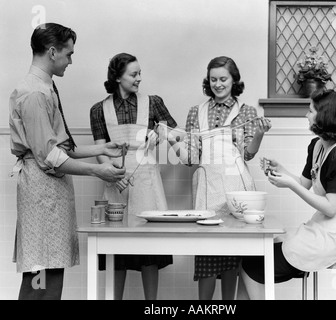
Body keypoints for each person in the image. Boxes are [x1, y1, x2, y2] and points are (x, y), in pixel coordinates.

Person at [8, 23, 126, 300]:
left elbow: (58, 147)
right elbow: (49, 156)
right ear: (52, 51)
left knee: (52, 268)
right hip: (41, 190)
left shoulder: (44, 88)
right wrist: (98, 170)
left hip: (49, 189)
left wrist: (103, 149)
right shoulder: (35, 93)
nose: (71, 60)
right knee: (40, 271)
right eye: (68, 54)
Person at [158, 56, 271, 300]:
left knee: (232, 255)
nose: (218, 84)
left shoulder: (246, 112)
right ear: (207, 81)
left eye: (223, 79)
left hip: (236, 187)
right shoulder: (195, 112)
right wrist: (169, 138)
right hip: (207, 189)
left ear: (234, 80)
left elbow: (248, 154)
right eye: (213, 79)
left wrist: (260, 133)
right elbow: (190, 158)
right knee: (207, 254)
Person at [238, 90, 336, 300]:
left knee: (252, 267)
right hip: (320, 227)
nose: (306, 115)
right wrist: (281, 171)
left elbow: (331, 208)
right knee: (251, 261)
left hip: (335, 233)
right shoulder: (316, 145)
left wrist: (289, 184)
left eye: (310, 110)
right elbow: (305, 184)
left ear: (325, 115)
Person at [89, 53, 178, 300]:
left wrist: (161, 135)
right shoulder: (99, 110)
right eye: (133, 74)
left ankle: (152, 304)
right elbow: (100, 150)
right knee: (115, 253)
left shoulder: (154, 102)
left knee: (149, 251)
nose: (140, 78)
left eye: (140, 73)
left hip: (148, 183)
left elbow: (173, 133)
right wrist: (112, 174)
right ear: (118, 77)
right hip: (115, 182)